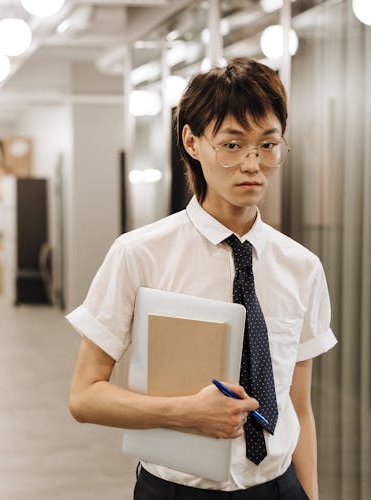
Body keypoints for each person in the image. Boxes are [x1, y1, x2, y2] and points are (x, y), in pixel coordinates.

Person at [67, 57, 337, 500]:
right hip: (177, 491)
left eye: (268, 146)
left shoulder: (301, 266)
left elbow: (299, 408)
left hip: (278, 487)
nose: (252, 164)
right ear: (192, 141)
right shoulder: (140, 254)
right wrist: (184, 413)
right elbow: (84, 396)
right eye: (232, 145)